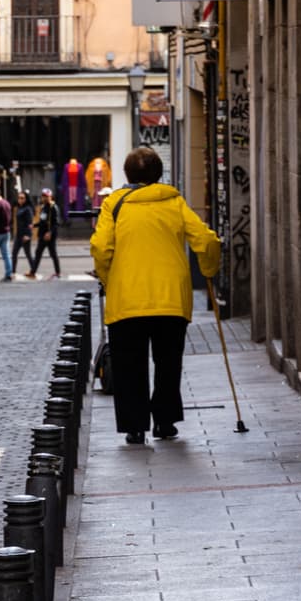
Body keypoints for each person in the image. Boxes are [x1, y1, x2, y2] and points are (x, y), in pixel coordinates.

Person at [90, 147, 221, 445]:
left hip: (127, 300)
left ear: (127, 175)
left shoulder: (114, 204)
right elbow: (207, 240)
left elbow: (100, 248)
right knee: (168, 363)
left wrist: (109, 279)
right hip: (170, 299)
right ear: (159, 174)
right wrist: (209, 270)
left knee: (129, 365)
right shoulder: (174, 202)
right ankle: (165, 422)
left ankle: (135, 427)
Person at [27, 187, 62, 279]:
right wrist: (34, 225)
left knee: (53, 254)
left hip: (49, 236)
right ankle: (32, 272)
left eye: (46, 196)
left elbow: (56, 223)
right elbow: (42, 222)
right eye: (43, 196)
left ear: (50, 197)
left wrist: (50, 233)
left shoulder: (53, 207)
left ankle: (58, 272)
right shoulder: (43, 207)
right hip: (42, 235)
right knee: (38, 253)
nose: (44, 198)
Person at [12, 190, 35, 277]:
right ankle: (13, 271)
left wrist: (28, 235)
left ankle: (33, 271)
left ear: (26, 199)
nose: (20, 200)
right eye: (19, 198)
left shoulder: (28, 209)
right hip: (18, 235)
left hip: (25, 235)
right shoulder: (19, 208)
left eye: (22, 198)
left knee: (28, 254)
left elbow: (30, 223)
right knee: (14, 253)